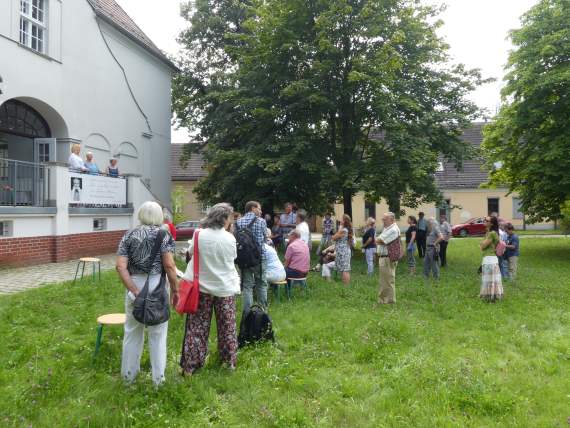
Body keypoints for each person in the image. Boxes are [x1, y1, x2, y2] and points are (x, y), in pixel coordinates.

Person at [116, 201, 178, 385]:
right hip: (157, 286)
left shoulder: (128, 234)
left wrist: (134, 290)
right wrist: (175, 289)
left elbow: (120, 266)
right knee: (158, 335)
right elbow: (169, 265)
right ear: (159, 216)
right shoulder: (163, 234)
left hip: (135, 285)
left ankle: (128, 378)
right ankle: (158, 380)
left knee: (132, 333)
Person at [180, 203, 240, 375]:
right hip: (225, 288)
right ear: (225, 219)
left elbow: (190, 253)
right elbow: (232, 259)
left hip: (202, 288)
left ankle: (190, 367)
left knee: (197, 327)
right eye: (230, 217)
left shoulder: (198, 234)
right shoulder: (230, 238)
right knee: (227, 327)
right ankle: (228, 363)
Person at [236, 201, 267, 314]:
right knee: (261, 284)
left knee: (247, 286)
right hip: (259, 257)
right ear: (253, 208)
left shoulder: (238, 222)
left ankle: (247, 313)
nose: (261, 211)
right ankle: (263, 311)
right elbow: (265, 238)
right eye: (259, 208)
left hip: (244, 258)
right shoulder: (261, 221)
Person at [376, 212, 401, 304]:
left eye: (385, 219)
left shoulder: (393, 230)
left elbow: (381, 240)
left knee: (388, 281)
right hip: (384, 257)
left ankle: (389, 301)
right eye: (383, 218)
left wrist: (377, 239)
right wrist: (378, 239)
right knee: (384, 281)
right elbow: (379, 240)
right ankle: (382, 300)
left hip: (388, 258)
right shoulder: (387, 228)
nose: (383, 220)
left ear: (392, 220)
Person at [479, 216, 504, 302]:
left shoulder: (491, 233)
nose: (484, 221)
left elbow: (482, 247)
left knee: (490, 279)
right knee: (492, 279)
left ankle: (491, 297)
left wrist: (482, 244)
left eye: (486, 220)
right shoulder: (490, 233)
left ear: (491, 223)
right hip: (490, 258)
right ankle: (492, 296)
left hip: (489, 259)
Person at [331, 214, 353, 285]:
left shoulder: (343, 230)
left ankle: (346, 286)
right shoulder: (346, 230)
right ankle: (345, 285)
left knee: (344, 270)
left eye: (342, 219)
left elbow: (334, 237)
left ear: (344, 221)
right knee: (344, 269)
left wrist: (340, 227)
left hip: (343, 252)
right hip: (344, 251)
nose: (340, 220)